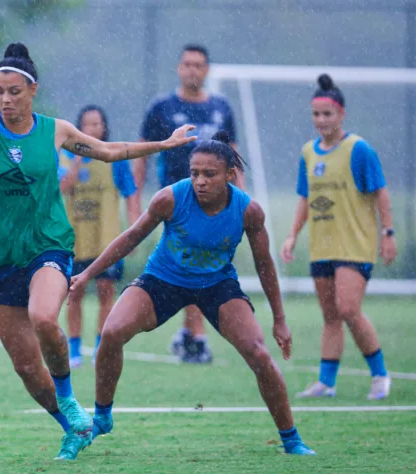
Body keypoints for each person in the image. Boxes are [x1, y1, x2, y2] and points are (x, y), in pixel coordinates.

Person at [0, 42, 197, 460]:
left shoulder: (54, 130)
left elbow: (110, 152)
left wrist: (164, 145)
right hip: (2, 260)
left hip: (49, 247)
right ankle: (72, 426)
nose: (6, 99)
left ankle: (69, 398)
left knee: (43, 318)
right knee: (24, 367)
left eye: (14, 91)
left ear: (32, 90)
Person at [70, 131, 315, 456]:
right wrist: (88, 273)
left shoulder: (248, 211)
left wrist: (280, 320)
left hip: (216, 285)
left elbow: (264, 264)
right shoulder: (169, 199)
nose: (200, 181)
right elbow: (131, 238)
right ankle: (102, 416)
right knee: (112, 332)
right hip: (163, 279)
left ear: (230, 175)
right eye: (194, 173)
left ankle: (291, 439)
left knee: (258, 353)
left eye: (209, 174)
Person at [282, 74, 396, 400]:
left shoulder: (359, 150)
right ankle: (326, 383)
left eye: (327, 114)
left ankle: (380, 375)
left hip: (355, 246)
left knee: (348, 309)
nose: (321, 120)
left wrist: (388, 233)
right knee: (330, 316)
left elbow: (381, 194)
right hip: (323, 246)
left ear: (341, 114)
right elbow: (305, 199)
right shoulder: (308, 152)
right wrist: (292, 235)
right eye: (316, 114)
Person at [134, 44, 242, 364]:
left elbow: (233, 157)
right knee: (186, 264)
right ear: (178, 69)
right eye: (187, 64)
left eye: (198, 65)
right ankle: (194, 335)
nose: (192, 70)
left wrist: (241, 200)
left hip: (215, 204)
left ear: (207, 70)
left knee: (194, 264)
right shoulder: (162, 107)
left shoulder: (221, 108)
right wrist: (135, 195)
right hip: (176, 202)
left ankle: (192, 334)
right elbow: (142, 153)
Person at [59, 105, 141, 369]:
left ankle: (99, 347)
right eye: (86, 125)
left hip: (107, 239)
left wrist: (133, 232)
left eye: (96, 124)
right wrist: (78, 160)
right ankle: (73, 350)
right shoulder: (64, 158)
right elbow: (64, 187)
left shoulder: (116, 158)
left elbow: (130, 193)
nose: (91, 129)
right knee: (74, 293)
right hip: (76, 240)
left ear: (104, 127)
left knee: (107, 292)